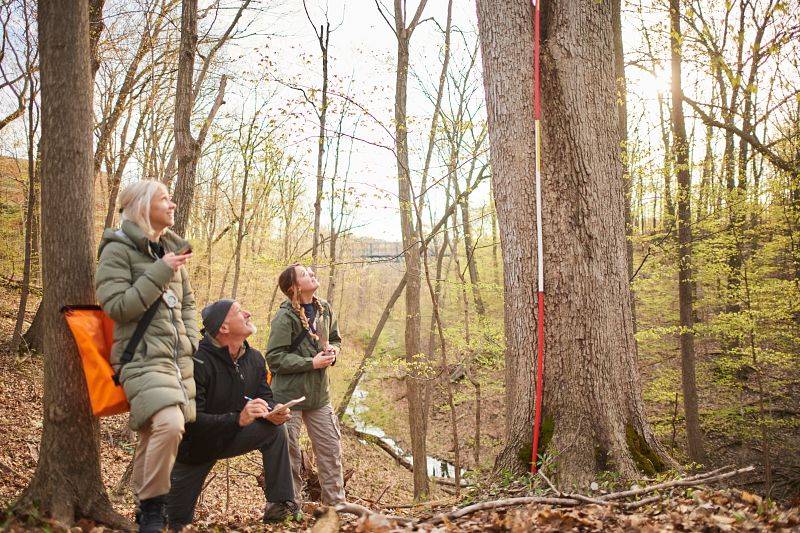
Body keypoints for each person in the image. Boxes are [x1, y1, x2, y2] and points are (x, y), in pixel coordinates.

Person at [95, 180, 198, 533]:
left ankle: (143, 512)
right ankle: (154, 509)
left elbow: (187, 304)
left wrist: (191, 341)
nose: (172, 205)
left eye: (172, 198)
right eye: (164, 199)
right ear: (142, 206)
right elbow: (118, 307)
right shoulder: (117, 249)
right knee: (171, 424)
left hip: (176, 361)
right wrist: (161, 270)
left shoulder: (172, 250)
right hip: (139, 358)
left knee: (154, 431)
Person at [166, 299, 300, 529]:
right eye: (239, 311)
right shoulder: (194, 361)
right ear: (223, 328)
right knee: (173, 522)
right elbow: (190, 421)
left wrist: (272, 411)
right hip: (193, 449)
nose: (248, 313)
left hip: (231, 436)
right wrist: (238, 419)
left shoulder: (255, 359)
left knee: (276, 430)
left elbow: (264, 395)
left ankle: (279, 505)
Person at [266, 264, 345, 505]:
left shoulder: (325, 309)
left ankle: (336, 506)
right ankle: (291, 507)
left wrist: (333, 352)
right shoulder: (284, 316)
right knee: (289, 455)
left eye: (311, 272)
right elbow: (274, 358)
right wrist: (311, 362)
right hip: (289, 396)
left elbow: (334, 338)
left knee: (330, 451)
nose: (311, 274)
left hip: (319, 395)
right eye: (304, 274)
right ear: (294, 287)